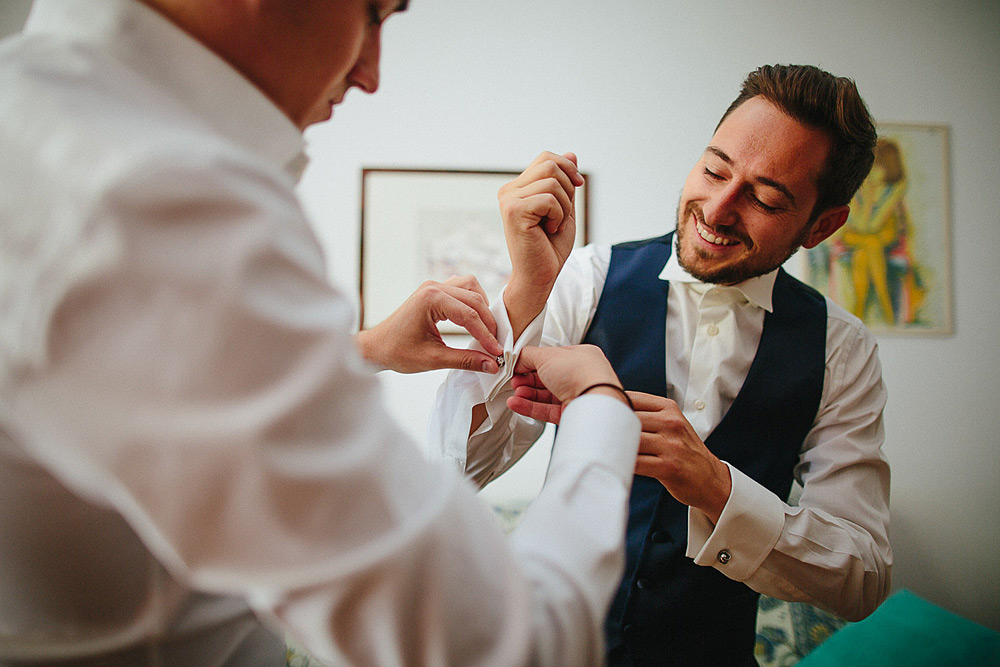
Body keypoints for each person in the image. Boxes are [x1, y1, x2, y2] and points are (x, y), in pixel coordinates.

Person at [0, 1, 642, 665]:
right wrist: (602, 407)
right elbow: (511, 645)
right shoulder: (145, 199)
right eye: (373, 13)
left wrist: (363, 349)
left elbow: (122, 381)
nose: (371, 74)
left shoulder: (37, 115)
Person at [431, 64, 893, 666]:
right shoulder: (588, 280)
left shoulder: (841, 349)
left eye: (765, 198)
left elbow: (862, 578)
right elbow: (460, 472)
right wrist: (524, 291)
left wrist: (715, 486)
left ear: (822, 225)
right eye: (714, 169)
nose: (718, 209)